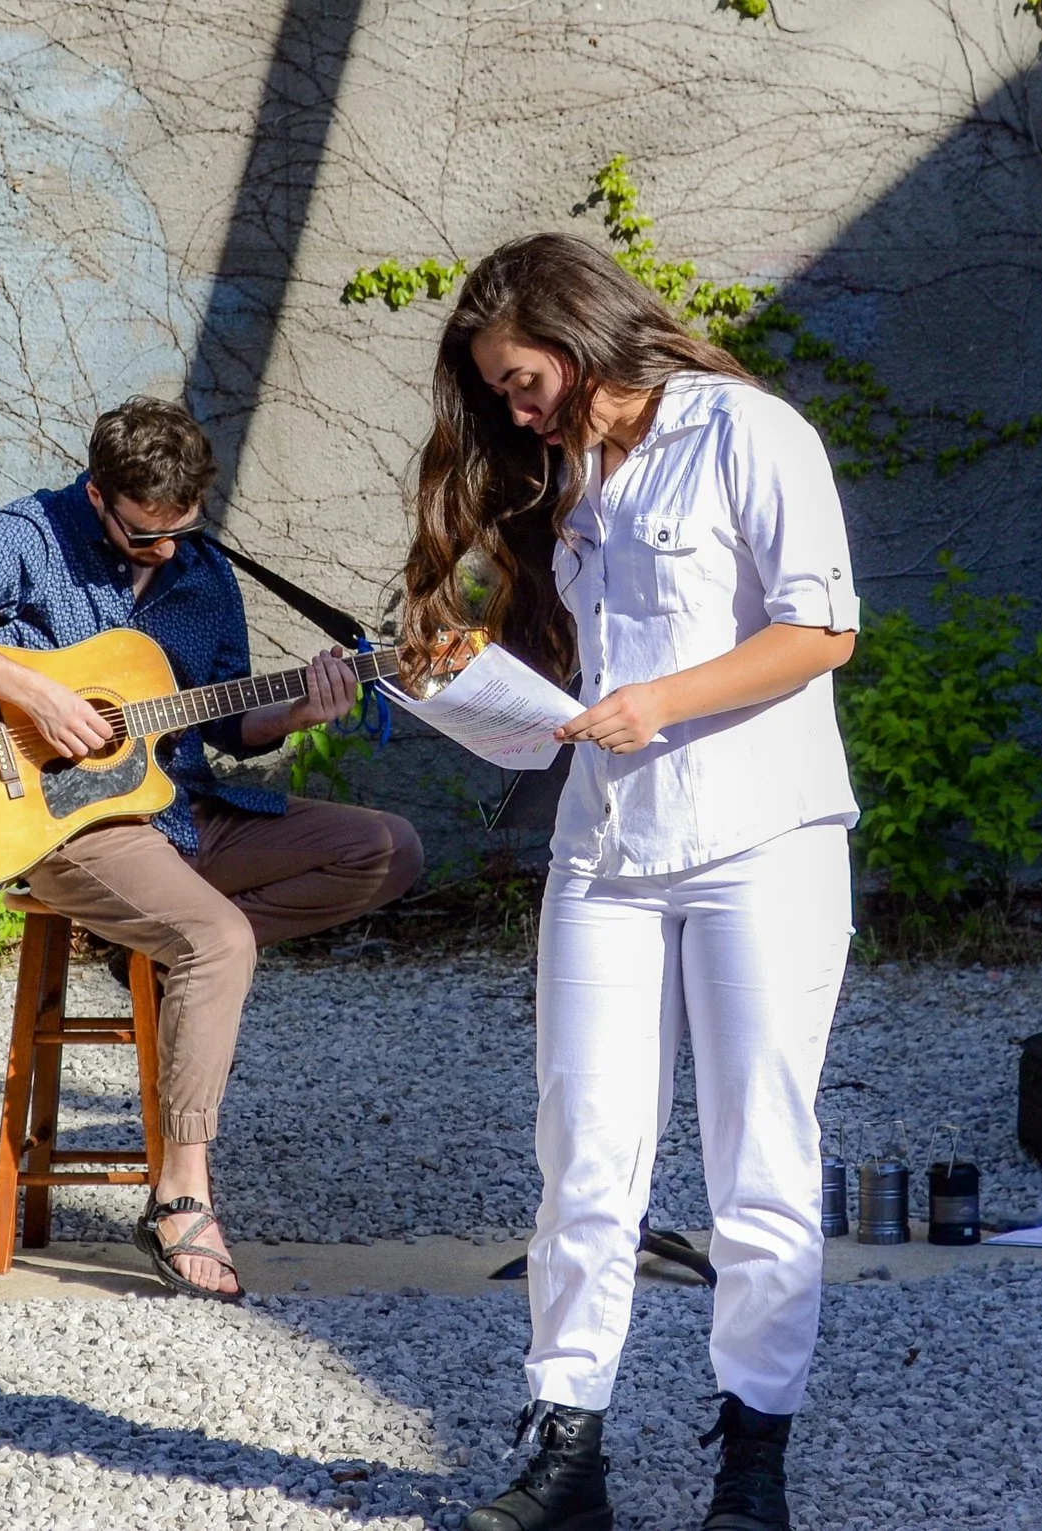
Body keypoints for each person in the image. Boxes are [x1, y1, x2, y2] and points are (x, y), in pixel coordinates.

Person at [403, 234, 860, 1531]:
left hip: (762, 841)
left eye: (521, 374)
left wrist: (655, 698)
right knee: (585, 1158)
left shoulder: (749, 430)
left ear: (580, 328)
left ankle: (752, 1463)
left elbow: (822, 627)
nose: (511, 403)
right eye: (494, 388)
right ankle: (566, 1453)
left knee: (759, 1164)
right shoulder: (567, 472)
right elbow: (577, 656)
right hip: (605, 848)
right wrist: (470, 670)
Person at [0, 396, 424, 1301]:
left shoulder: (204, 572)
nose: (166, 551)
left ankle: (188, 951)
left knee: (387, 849)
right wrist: (37, 696)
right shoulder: (33, 535)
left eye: (183, 531)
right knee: (217, 939)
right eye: (144, 537)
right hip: (72, 823)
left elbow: (232, 724)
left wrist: (301, 708)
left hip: (183, 811)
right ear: (100, 498)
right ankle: (179, 1195)